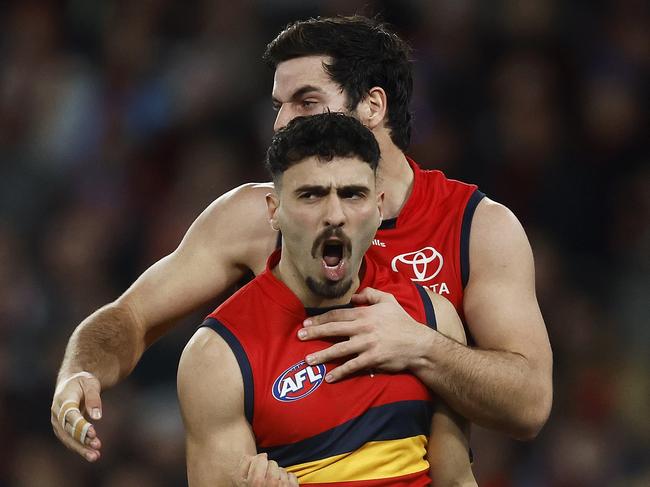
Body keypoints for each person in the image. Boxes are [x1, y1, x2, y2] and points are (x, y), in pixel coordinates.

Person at [51, 15, 552, 463]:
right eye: (278, 104)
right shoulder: (258, 215)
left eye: (306, 101)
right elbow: (131, 316)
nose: (280, 123)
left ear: (373, 105)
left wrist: (421, 348)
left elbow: (529, 404)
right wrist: (80, 370)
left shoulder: (476, 227)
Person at [179, 112, 475, 486]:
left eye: (353, 194)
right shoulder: (219, 357)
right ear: (275, 212)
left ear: (379, 206)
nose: (334, 215)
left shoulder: (431, 319)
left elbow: (457, 480)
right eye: (311, 195)